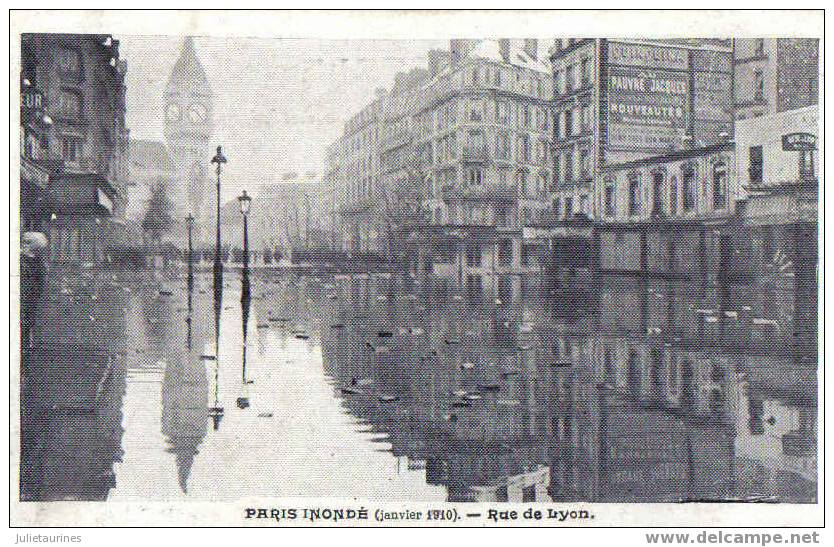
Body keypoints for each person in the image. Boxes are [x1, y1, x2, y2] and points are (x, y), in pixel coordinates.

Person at [20, 232, 47, 352]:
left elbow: (39, 281)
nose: (24, 245)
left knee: (27, 320)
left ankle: (25, 345)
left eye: (27, 243)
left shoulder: (37, 262)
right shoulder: (21, 259)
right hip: (25, 295)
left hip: (29, 296)